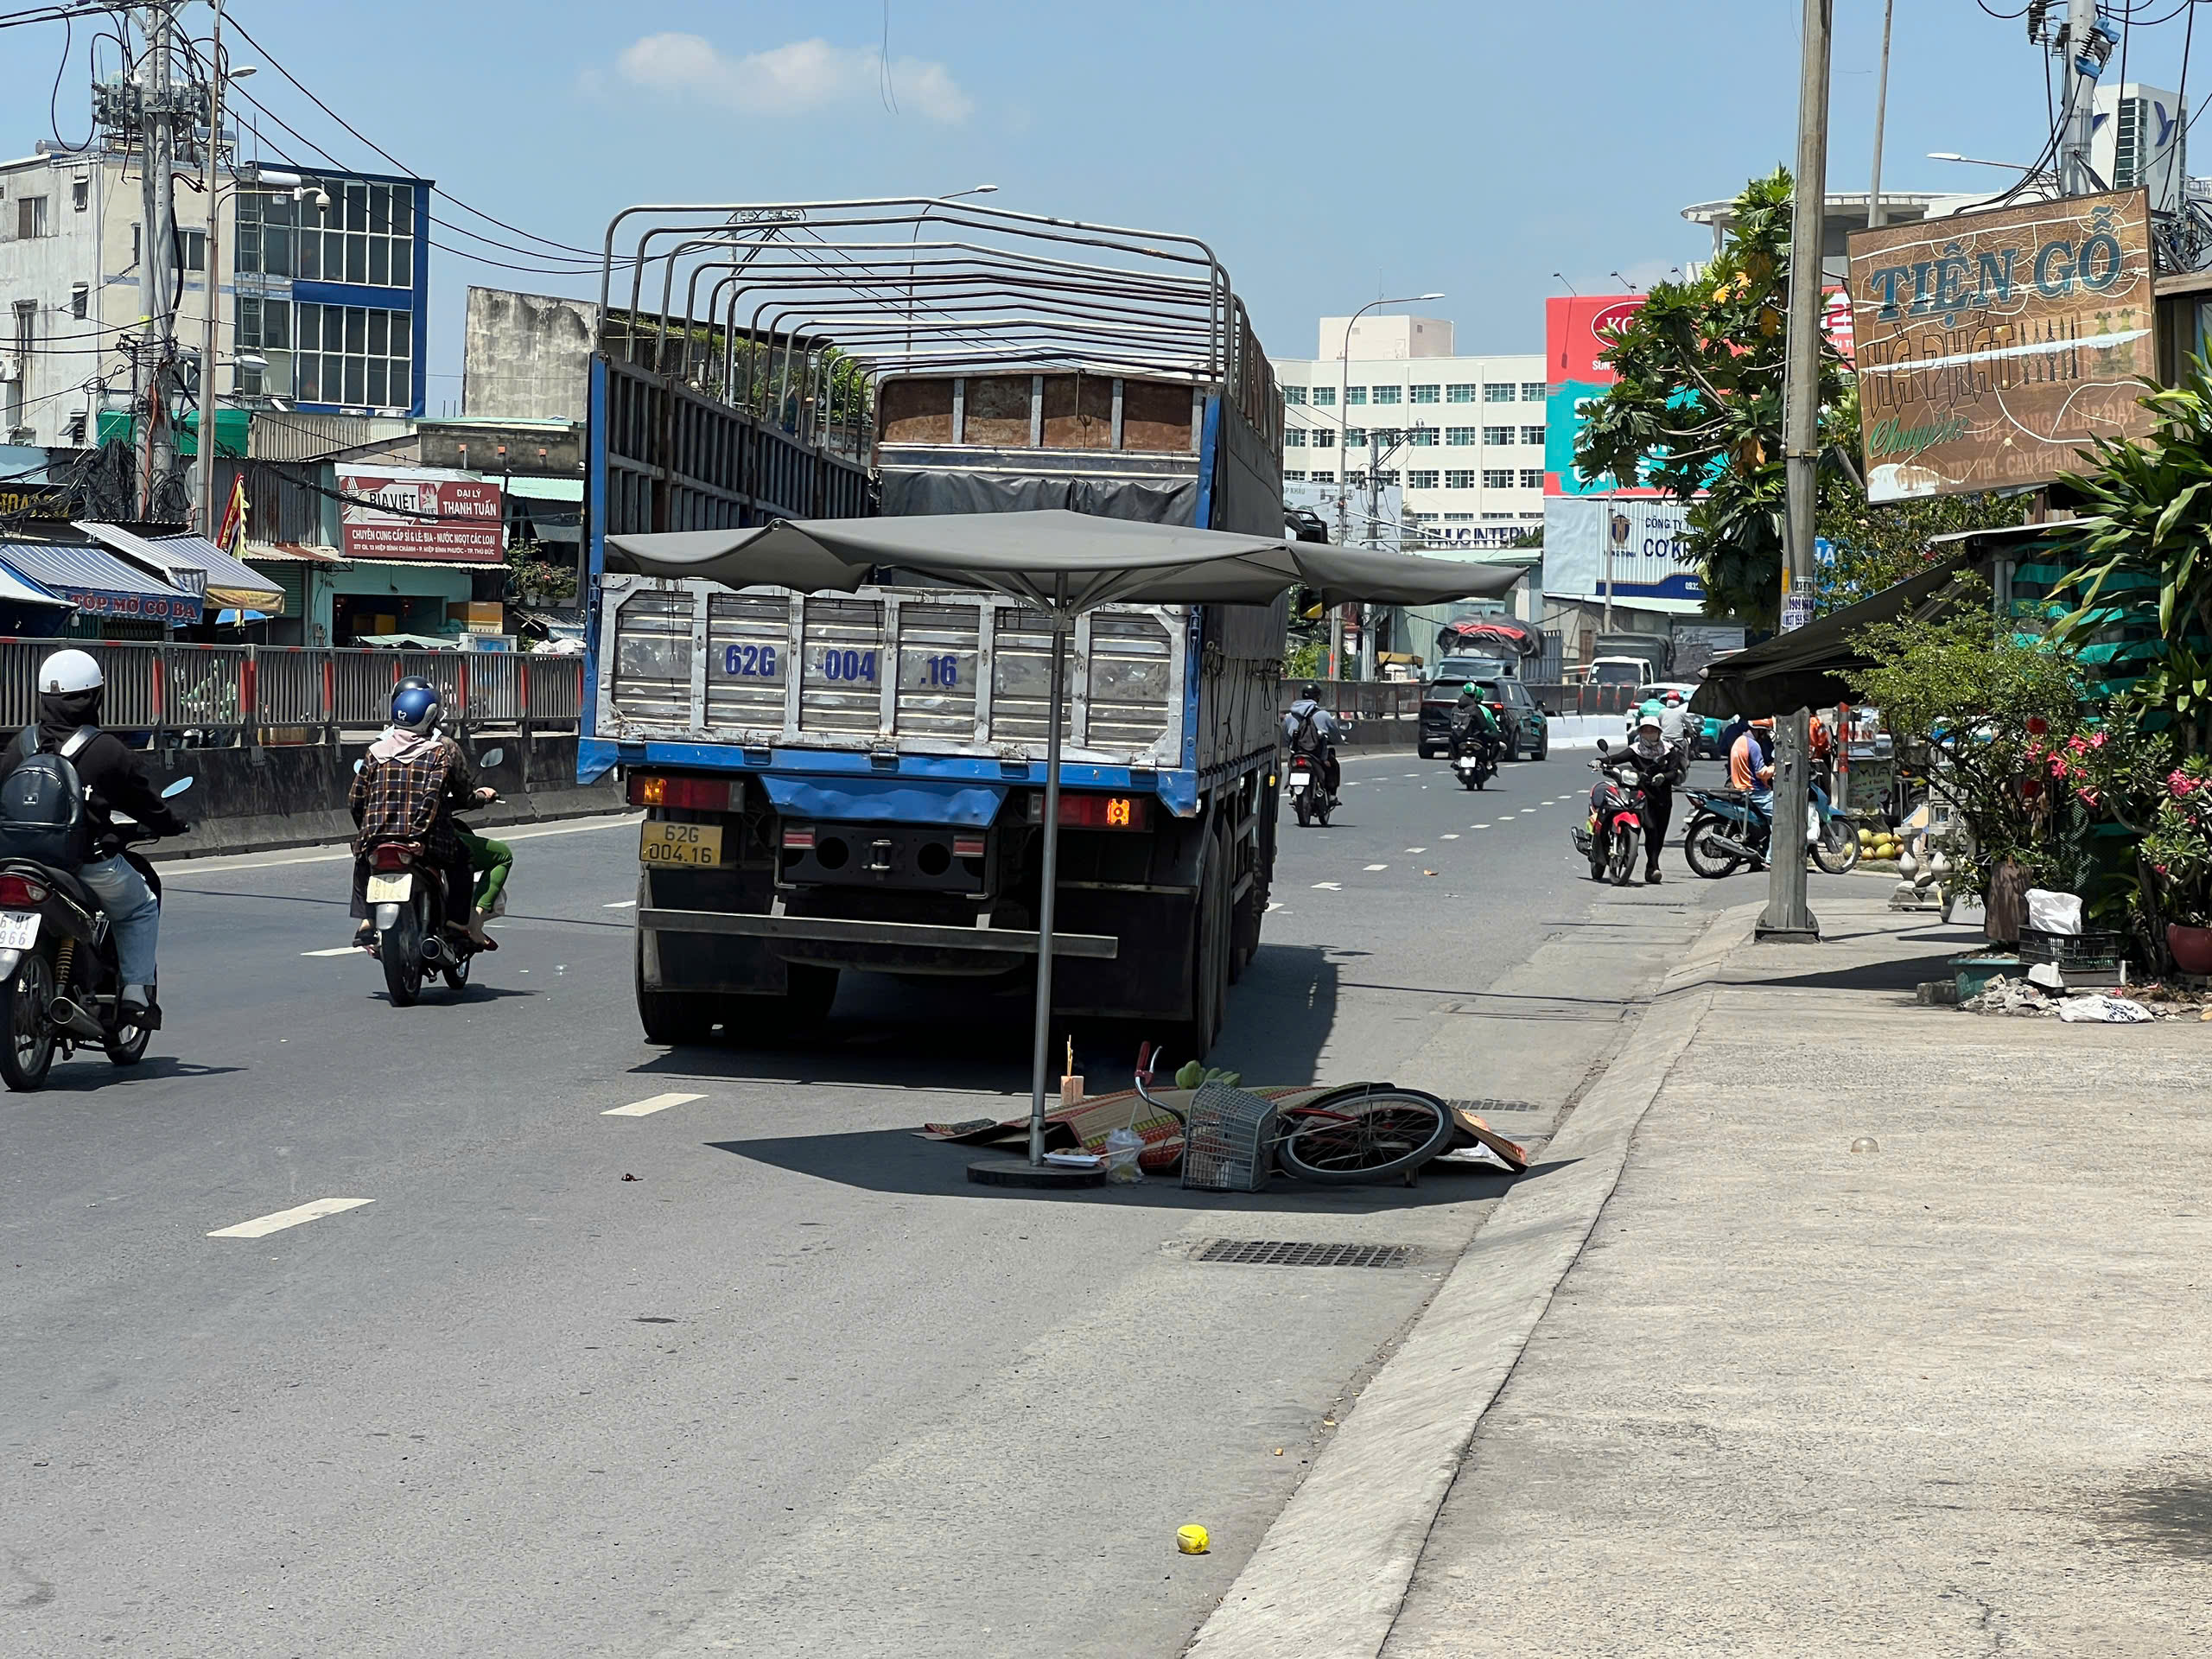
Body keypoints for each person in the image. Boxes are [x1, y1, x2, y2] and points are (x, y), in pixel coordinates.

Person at [0, 649, 190, 1019]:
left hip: (16, 862)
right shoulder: (107, 750)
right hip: (84, 865)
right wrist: (171, 824)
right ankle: (136, 994)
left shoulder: (19, 746)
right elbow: (146, 804)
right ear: (95, 696)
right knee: (139, 907)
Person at [348, 683, 493, 949]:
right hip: (424, 839)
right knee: (463, 861)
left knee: (362, 861)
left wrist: (368, 833)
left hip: (377, 836)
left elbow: (356, 800)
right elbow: (431, 798)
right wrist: (416, 836)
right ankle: (457, 926)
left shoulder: (375, 752)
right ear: (430, 718)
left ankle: (366, 921)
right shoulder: (436, 752)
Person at [1281, 682, 1344, 795]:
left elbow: (1285, 737)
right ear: (1318, 697)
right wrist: (1339, 741)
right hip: (1317, 755)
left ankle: (1293, 791)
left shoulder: (1290, 716)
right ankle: (1332, 796)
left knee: (1291, 764)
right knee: (1333, 765)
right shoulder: (1323, 715)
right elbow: (1335, 735)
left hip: (1296, 754)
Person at [1729, 716, 1777, 845]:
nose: (1765, 736)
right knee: (1781, 820)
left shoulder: (1739, 741)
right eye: (1765, 732)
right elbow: (1761, 773)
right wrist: (1774, 768)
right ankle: (1771, 859)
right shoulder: (1754, 746)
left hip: (1741, 788)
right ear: (1760, 730)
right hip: (1755, 791)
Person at [1452, 682, 1502, 767]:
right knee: (1495, 739)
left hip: (1460, 737)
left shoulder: (1455, 708)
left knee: (1451, 737)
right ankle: (1490, 762)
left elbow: (1452, 724)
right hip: (1476, 737)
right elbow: (1484, 725)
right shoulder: (1476, 709)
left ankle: (1456, 760)